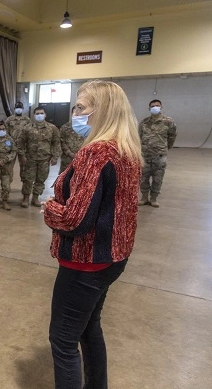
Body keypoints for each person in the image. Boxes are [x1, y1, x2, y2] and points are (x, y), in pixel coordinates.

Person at [42, 80, 142, 389]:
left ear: (102, 112)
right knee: (88, 327)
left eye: (81, 108)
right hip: (112, 257)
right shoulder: (127, 150)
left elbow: (75, 219)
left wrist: (50, 209)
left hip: (86, 261)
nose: (76, 113)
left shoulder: (96, 153)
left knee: (62, 339)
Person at [17, 107, 61, 208]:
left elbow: (56, 143)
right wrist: (22, 155)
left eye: (41, 113)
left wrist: (55, 156)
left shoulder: (52, 128)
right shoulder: (27, 128)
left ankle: (35, 197)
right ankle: (26, 197)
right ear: (34, 115)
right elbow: (20, 142)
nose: (39, 115)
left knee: (40, 179)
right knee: (28, 179)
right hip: (30, 159)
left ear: (45, 115)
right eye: (37, 113)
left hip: (45, 159)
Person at [138, 99, 177, 207]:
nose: (155, 107)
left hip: (159, 156)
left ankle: (154, 198)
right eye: (153, 106)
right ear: (149, 108)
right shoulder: (144, 122)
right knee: (143, 178)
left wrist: (165, 147)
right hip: (145, 155)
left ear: (161, 107)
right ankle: (144, 197)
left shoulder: (168, 121)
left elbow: (172, 136)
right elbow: (139, 136)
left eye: (157, 105)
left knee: (158, 178)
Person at [5, 101, 31, 180]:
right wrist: (8, 145)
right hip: (12, 146)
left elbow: (30, 133)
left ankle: (24, 183)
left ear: (22, 109)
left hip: (23, 147)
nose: (18, 109)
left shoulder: (27, 119)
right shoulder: (9, 119)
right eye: (17, 108)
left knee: (24, 165)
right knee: (9, 165)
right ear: (14, 109)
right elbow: (6, 134)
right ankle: (7, 184)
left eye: (20, 108)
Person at [58, 106, 84, 174]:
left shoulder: (87, 128)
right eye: (75, 112)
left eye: (80, 111)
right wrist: (70, 153)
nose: (78, 114)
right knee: (65, 178)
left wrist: (81, 153)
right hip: (67, 159)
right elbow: (61, 141)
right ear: (72, 113)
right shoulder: (65, 127)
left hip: (82, 158)